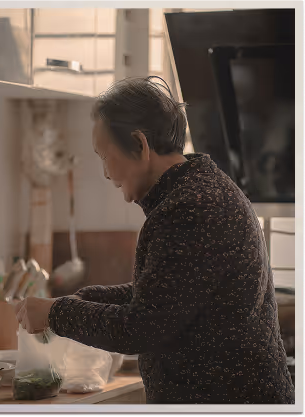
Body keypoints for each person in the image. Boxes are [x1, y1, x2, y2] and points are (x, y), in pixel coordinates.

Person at [15, 76, 295, 404]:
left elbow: (141, 327)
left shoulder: (191, 208)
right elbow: (168, 295)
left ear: (140, 145)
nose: (106, 173)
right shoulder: (198, 191)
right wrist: (85, 299)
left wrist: (58, 313)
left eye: (105, 155)